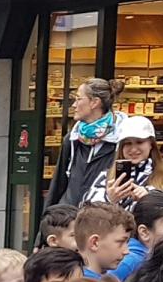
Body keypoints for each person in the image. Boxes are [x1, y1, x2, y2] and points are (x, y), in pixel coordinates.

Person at [85, 115, 163, 213]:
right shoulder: (105, 178)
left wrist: (153, 199)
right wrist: (109, 199)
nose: (133, 149)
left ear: (151, 145)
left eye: (139, 142)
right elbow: (86, 217)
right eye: (128, 143)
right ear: (121, 147)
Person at [46, 77, 123, 210]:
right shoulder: (72, 138)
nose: (73, 105)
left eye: (78, 99)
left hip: (101, 220)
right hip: (70, 219)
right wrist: (47, 225)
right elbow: (58, 184)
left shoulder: (121, 140)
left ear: (94, 102)